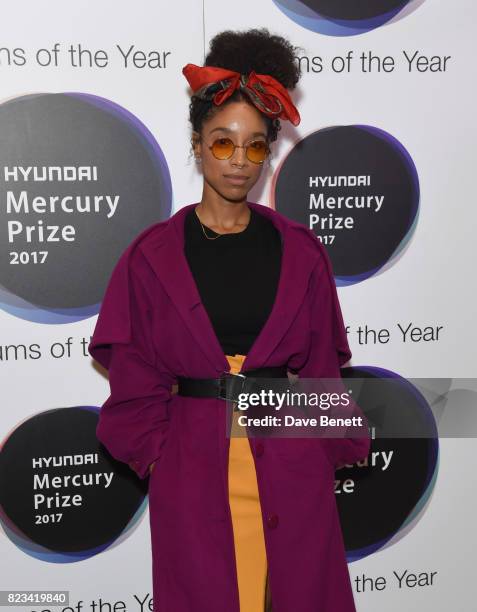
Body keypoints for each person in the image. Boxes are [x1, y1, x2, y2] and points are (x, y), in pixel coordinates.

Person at [88, 28, 370, 612]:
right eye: (222, 143)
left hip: (291, 469)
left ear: (270, 152)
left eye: (256, 146)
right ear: (197, 144)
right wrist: (162, 459)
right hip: (193, 471)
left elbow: (322, 373)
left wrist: (319, 456)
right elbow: (135, 377)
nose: (239, 162)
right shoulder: (152, 255)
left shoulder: (302, 250)